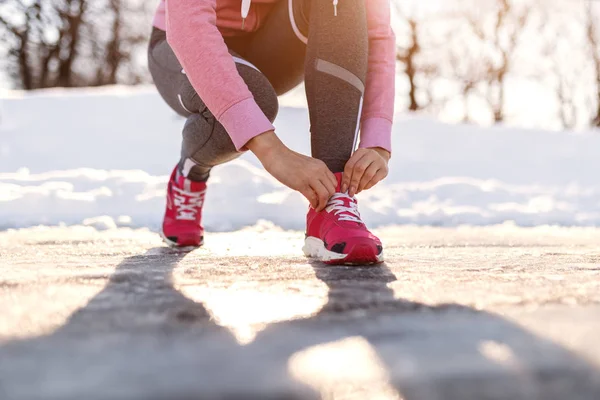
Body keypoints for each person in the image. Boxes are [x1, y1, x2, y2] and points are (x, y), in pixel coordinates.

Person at [148, 0, 395, 265]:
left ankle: (331, 200)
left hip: (271, 40)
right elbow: (190, 24)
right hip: (180, 42)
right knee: (252, 101)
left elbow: (376, 33)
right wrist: (272, 151)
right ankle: (190, 172)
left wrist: (378, 141)